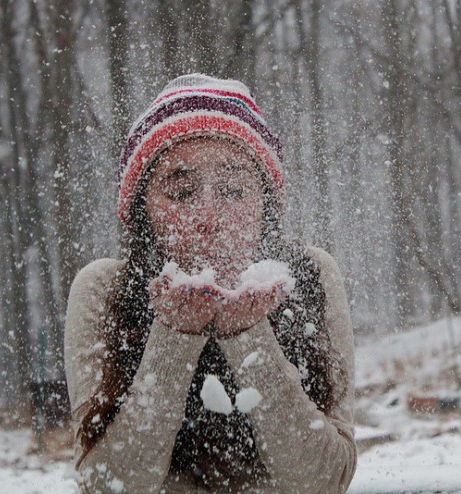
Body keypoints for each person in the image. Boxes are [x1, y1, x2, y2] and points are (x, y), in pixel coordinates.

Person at [65, 74, 357, 493]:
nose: (209, 216)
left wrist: (249, 336)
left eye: (234, 190)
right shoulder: (104, 289)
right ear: (144, 213)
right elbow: (110, 487)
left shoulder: (309, 276)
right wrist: (174, 335)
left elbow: (322, 483)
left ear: (265, 205)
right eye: (182, 193)